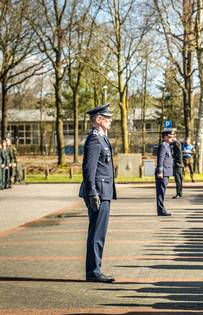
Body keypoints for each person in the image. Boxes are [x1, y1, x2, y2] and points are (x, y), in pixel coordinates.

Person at [78, 104, 116, 283]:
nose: (110, 121)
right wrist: (92, 192)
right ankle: (93, 271)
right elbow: (89, 169)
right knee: (96, 233)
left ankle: (95, 268)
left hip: (103, 191)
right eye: (107, 118)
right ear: (98, 120)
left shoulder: (102, 138)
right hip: (99, 192)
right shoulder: (94, 139)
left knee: (99, 233)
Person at [155, 129, 174, 216]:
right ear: (165, 137)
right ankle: (161, 210)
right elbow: (161, 159)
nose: (172, 138)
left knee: (162, 192)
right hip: (163, 173)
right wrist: (160, 171)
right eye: (170, 137)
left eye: (172, 136)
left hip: (166, 172)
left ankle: (161, 209)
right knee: (161, 192)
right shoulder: (163, 146)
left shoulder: (167, 145)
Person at [171, 134, 184, 199]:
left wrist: (177, 162)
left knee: (178, 180)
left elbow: (179, 154)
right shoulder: (174, 143)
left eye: (172, 137)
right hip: (177, 164)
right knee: (179, 180)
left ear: (174, 137)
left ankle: (178, 193)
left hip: (177, 164)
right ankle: (179, 193)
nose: (171, 138)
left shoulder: (176, 143)